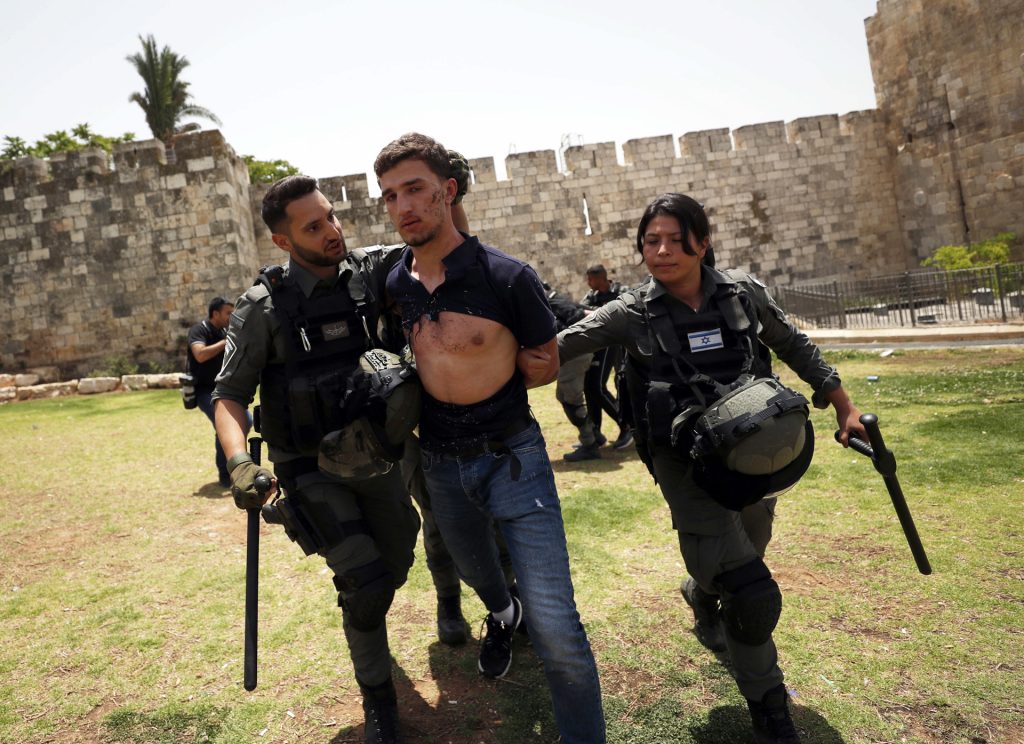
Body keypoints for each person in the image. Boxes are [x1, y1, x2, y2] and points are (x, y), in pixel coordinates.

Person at [558, 193, 866, 744]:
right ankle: (770, 709)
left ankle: (702, 594)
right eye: (651, 240)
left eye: (677, 239)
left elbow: (792, 343)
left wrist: (842, 404)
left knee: (748, 541)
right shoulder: (630, 311)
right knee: (750, 591)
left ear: (703, 242)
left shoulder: (742, 296)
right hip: (682, 463)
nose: (663, 250)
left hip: (748, 455)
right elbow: (557, 346)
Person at [376, 132, 605, 744]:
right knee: (477, 569)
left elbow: (544, 358)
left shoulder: (508, 276)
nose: (404, 207)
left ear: (448, 192)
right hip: (439, 463)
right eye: (392, 195)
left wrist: (533, 363)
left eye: (416, 190)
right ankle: (502, 614)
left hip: (512, 458)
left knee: (556, 624)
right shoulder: (394, 282)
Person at [212, 175, 422, 744]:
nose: (332, 230)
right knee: (365, 579)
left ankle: (361, 595)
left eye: (331, 216)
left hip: (373, 455)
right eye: (313, 225)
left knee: (397, 559)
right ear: (283, 242)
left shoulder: (370, 271)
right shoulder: (261, 309)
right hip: (306, 463)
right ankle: (380, 702)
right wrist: (238, 464)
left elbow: (437, 243)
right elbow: (228, 395)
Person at [186, 297, 241, 487]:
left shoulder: (225, 331)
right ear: (215, 313)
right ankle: (225, 475)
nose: (231, 316)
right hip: (203, 391)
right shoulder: (199, 330)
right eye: (228, 313)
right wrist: (225, 342)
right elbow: (200, 355)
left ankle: (231, 469)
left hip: (223, 390)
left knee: (246, 421)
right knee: (223, 426)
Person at [542, 282, 601, 461]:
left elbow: (577, 317)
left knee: (571, 399)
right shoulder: (551, 300)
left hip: (574, 353)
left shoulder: (550, 301)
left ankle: (590, 444)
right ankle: (593, 436)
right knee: (564, 397)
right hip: (573, 352)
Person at [580, 265, 632, 451]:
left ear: (601, 278)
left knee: (618, 385)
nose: (588, 283)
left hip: (622, 345)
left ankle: (627, 426)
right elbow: (582, 312)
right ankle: (596, 431)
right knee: (591, 387)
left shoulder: (622, 291)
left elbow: (630, 310)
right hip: (599, 346)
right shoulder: (591, 296)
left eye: (590, 280)